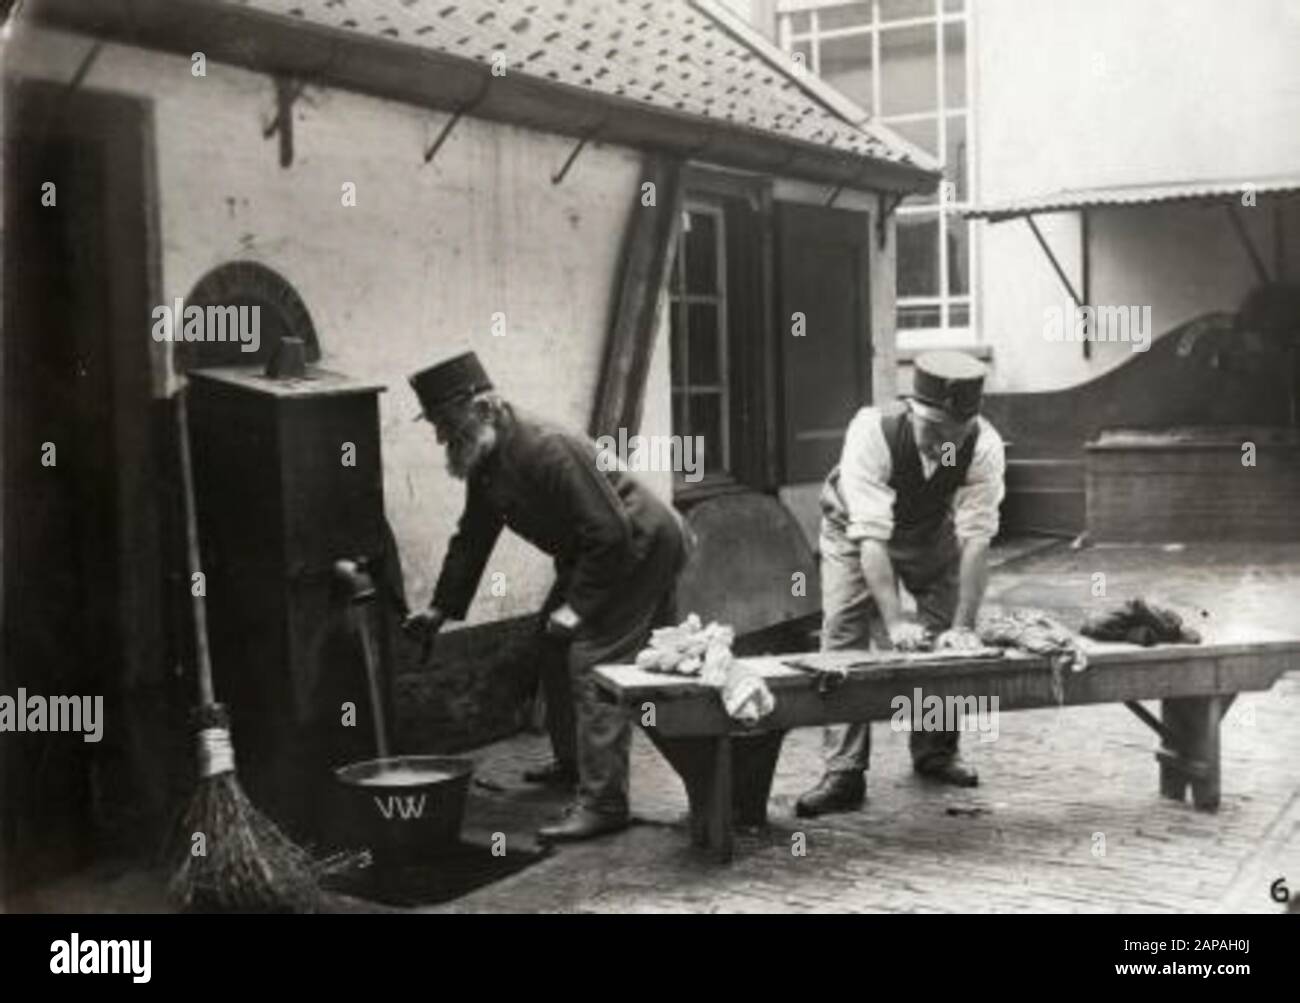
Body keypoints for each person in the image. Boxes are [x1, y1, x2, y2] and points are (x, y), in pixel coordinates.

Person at [401, 351, 688, 842]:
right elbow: (473, 536)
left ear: (483, 407)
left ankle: (604, 804)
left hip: (640, 545)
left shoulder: (545, 446)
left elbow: (611, 533)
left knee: (592, 659)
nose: (441, 436)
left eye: (446, 423)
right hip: (598, 552)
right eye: (436, 424)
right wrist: (439, 609)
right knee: (550, 645)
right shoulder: (487, 456)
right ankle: (574, 764)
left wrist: (577, 610)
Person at [795, 350, 1006, 818]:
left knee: (945, 627)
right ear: (914, 412)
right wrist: (894, 620)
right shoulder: (872, 430)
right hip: (855, 530)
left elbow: (975, 541)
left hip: (929, 527)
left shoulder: (985, 445)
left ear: (970, 423)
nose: (942, 444)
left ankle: (935, 750)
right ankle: (844, 771)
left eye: (956, 434)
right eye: (933, 431)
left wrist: (965, 625)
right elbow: (872, 539)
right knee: (845, 633)